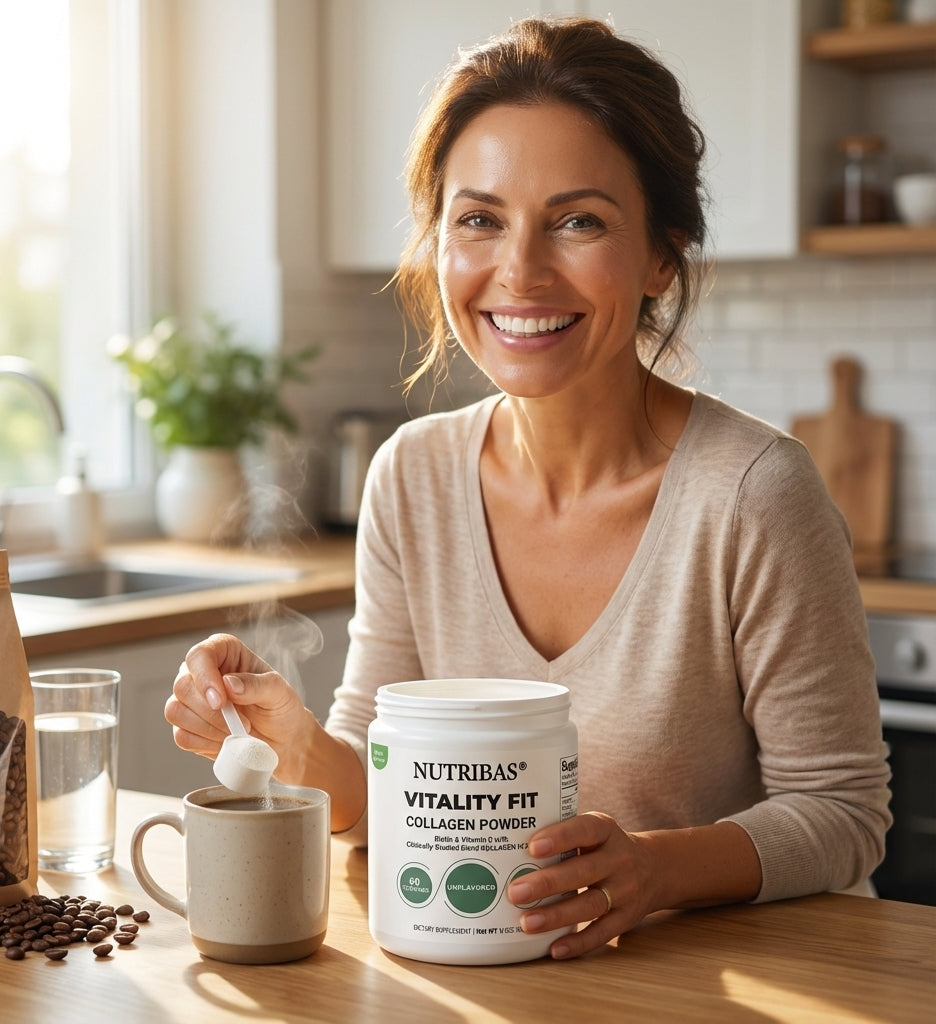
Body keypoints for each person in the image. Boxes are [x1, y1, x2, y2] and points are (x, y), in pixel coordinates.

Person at [165, 16, 891, 961]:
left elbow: (843, 814)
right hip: (494, 980)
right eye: (480, 220)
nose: (520, 270)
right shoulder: (412, 476)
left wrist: (654, 869)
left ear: (663, 254)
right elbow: (375, 798)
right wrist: (296, 744)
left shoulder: (752, 491)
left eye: (578, 220)